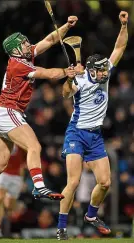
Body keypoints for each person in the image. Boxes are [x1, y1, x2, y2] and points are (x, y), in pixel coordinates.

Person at [0, 16, 78, 229]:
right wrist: (66, 73)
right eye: (22, 43)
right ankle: (39, 186)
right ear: (14, 49)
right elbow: (47, 74)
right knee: (34, 146)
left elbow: (49, 41)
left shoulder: (23, 56)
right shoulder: (18, 65)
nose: (27, 44)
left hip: (2, 115)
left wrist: (66, 27)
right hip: (9, 112)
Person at [57, 11, 128, 240]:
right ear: (91, 70)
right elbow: (66, 94)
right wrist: (68, 79)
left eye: (106, 70)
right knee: (74, 181)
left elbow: (118, 49)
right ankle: (61, 228)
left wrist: (124, 26)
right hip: (76, 133)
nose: (106, 74)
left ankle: (91, 215)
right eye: (102, 71)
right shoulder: (79, 79)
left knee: (105, 183)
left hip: (95, 136)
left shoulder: (103, 74)